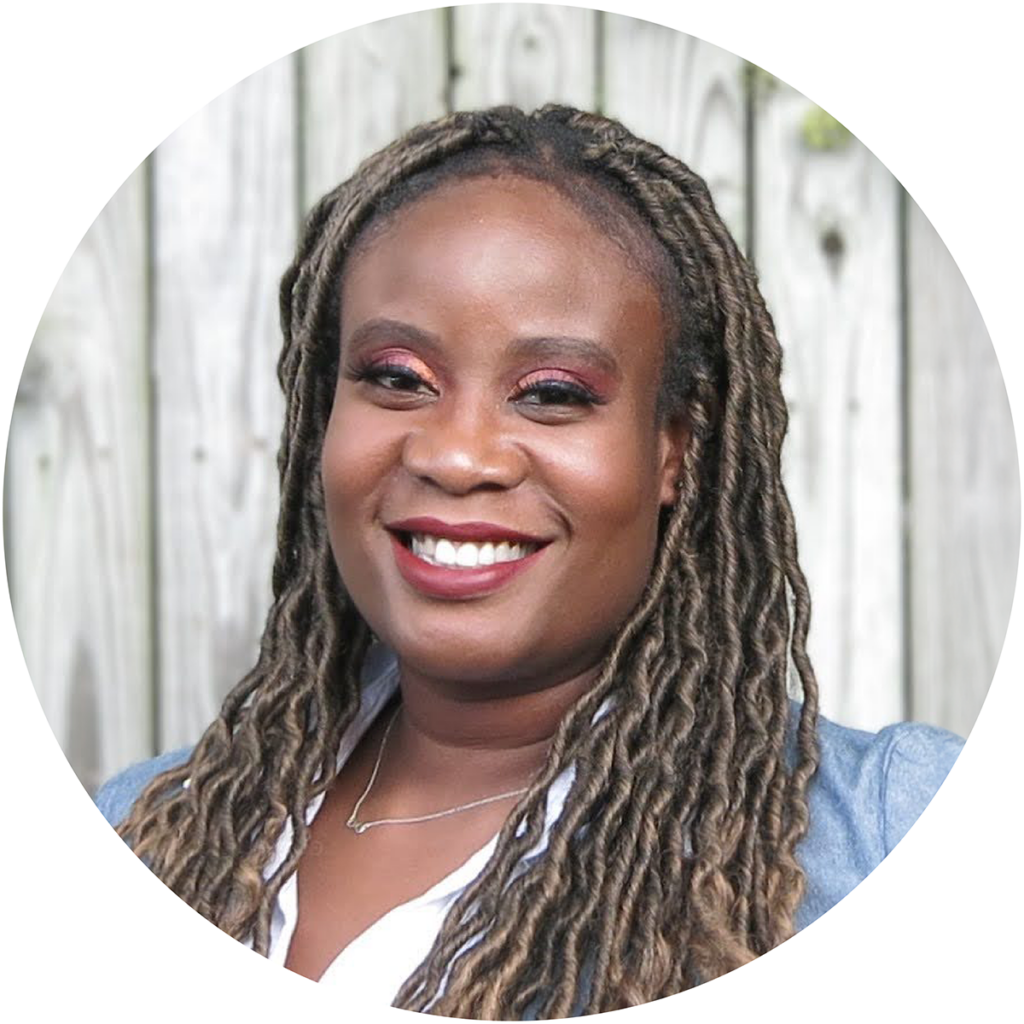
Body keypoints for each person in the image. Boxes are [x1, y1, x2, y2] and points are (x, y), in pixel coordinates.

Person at [95, 104, 963, 1018]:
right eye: (396, 378)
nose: (457, 455)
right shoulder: (146, 823)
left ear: (675, 450)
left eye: (551, 393)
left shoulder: (896, 833)